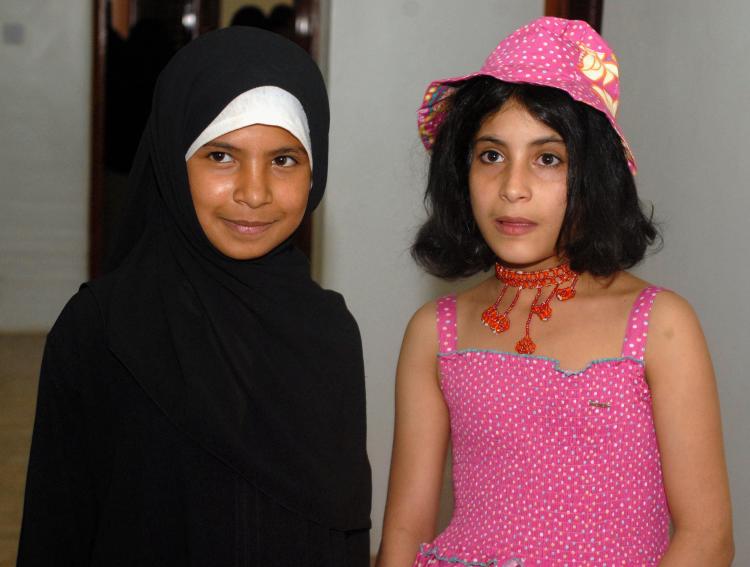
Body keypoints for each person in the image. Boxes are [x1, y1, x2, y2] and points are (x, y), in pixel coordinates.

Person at [377, 17, 732, 566]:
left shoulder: (659, 324)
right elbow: (403, 534)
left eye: (548, 159)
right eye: (491, 155)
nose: (513, 188)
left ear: (594, 175)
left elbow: (707, 540)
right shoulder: (435, 331)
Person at [18, 27, 371, 566]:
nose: (254, 193)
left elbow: (343, 527)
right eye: (222, 156)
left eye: (283, 160)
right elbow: (55, 529)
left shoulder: (328, 334)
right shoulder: (102, 330)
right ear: (173, 159)